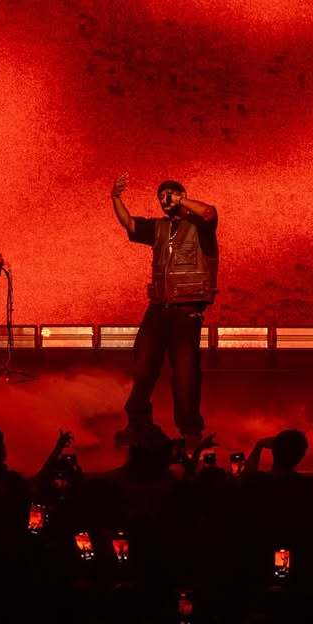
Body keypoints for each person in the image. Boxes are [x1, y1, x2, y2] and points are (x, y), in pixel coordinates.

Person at [111, 172, 218, 452]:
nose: (164, 198)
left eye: (169, 193)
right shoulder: (158, 228)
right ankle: (137, 423)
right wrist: (115, 198)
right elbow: (130, 223)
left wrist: (181, 199)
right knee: (143, 364)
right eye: (161, 195)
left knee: (184, 373)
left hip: (186, 311)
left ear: (181, 195)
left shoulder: (201, 227)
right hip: (159, 309)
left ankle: (191, 431)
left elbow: (208, 212)